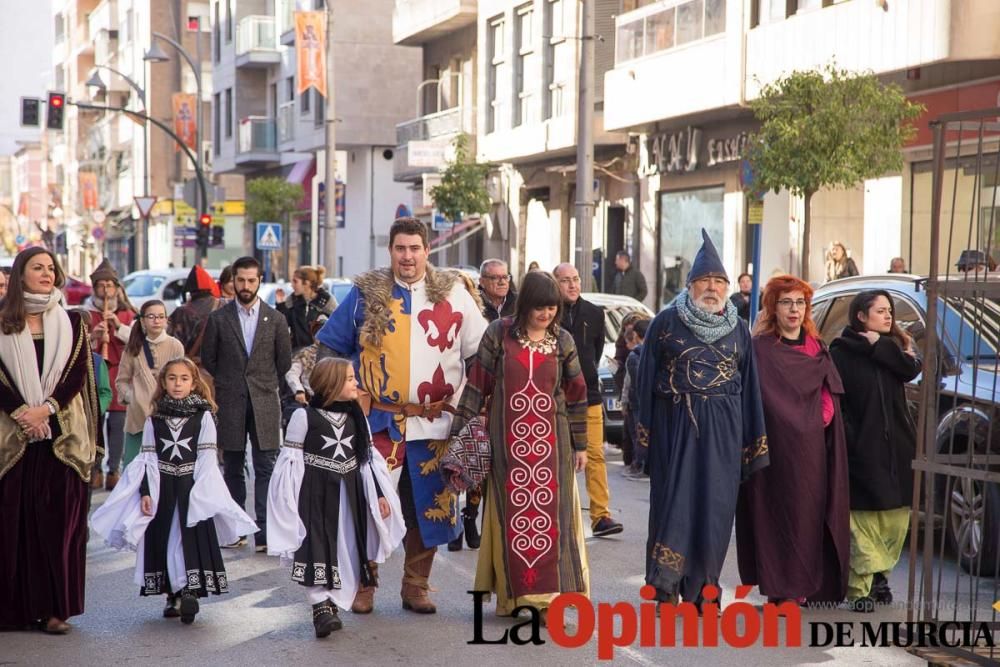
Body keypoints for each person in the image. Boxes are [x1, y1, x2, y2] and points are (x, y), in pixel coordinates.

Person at [316, 216, 488, 614]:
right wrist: (334, 398)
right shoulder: (366, 293)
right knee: (371, 503)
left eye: (415, 248)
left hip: (437, 421)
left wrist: (476, 407)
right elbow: (330, 347)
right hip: (379, 421)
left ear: (428, 250)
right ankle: (365, 582)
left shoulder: (456, 294)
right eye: (400, 248)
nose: (407, 256)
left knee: (428, 506)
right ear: (390, 251)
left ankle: (416, 585)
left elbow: (481, 353)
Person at [444, 270, 590, 622]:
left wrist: (581, 444)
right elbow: (477, 383)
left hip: (553, 448)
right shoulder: (499, 333)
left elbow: (577, 394)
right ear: (525, 304)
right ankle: (514, 597)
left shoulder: (563, 341)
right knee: (512, 517)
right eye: (540, 307)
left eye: (552, 307)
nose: (546, 314)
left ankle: (545, 599)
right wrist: (459, 436)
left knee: (551, 520)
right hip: (506, 443)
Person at [636, 229, 768, 606]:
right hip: (675, 427)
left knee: (715, 511)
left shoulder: (740, 330)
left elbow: (751, 390)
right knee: (673, 505)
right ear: (690, 284)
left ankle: (705, 591)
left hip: (724, 433)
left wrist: (752, 446)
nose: (712, 287)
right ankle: (664, 587)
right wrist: (644, 439)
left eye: (719, 281)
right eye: (705, 280)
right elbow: (645, 381)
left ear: (727, 288)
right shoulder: (664, 324)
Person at [91, 358, 257, 624]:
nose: (177, 384)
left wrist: (202, 492)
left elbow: (206, 459)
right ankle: (172, 594)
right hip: (163, 487)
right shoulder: (154, 419)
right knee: (166, 538)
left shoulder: (203, 417)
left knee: (189, 537)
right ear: (163, 383)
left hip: (191, 487)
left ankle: (190, 590)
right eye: (171, 378)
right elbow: (146, 459)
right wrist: (146, 492)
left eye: (183, 379)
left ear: (193, 383)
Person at [0, 247, 100, 634]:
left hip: (62, 433)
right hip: (13, 435)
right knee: (15, 524)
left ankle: (57, 610)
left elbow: (76, 375)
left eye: (50, 268)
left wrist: (46, 409)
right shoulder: (4, 320)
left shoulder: (73, 322)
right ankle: (16, 609)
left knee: (60, 525)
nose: (45, 273)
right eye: (37, 268)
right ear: (21, 275)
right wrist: (22, 411)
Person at [268, 357, 405, 638]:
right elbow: (291, 462)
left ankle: (332, 599)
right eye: (350, 379)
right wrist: (289, 501)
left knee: (346, 545)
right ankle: (320, 605)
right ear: (332, 384)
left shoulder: (357, 417)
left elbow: (367, 461)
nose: (356, 383)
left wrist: (378, 495)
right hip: (315, 495)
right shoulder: (304, 416)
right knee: (317, 545)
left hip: (350, 493)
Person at [735, 275, 850, 605]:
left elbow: (829, 393)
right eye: (787, 302)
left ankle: (806, 585)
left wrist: (815, 421)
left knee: (807, 515)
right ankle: (780, 589)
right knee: (773, 516)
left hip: (810, 449)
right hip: (771, 447)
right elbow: (750, 396)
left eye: (800, 302)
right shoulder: (759, 349)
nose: (794, 309)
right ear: (773, 307)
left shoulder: (816, 347)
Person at [830, 290, 920, 613]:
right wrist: (850, 438)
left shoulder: (892, 348)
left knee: (895, 520)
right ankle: (861, 589)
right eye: (880, 311)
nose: (888, 316)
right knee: (863, 522)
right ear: (860, 316)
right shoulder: (840, 352)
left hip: (896, 448)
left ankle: (880, 577)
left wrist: (879, 345)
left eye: (889, 311)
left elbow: (911, 370)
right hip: (861, 449)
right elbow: (836, 401)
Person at [201, 256, 292, 553]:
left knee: (266, 467)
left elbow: (284, 363)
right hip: (231, 401)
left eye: (251, 280)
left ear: (259, 281)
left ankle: (264, 533)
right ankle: (236, 529)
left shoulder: (276, 319)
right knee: (233, 467)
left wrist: (262, 384)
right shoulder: (218, 319)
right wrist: (231, 384)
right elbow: (210, 360)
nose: (245, 286)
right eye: (240, 280)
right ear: (233, 281)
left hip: (265, 401)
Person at [553, 262, 623, 538]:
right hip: (555, 398)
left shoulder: (595, 314)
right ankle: (560, 515)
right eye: (565, 280)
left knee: (595, 454)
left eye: (576, 278)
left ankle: (601, 516)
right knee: (558, 457)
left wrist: (585, 380)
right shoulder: (548, 313)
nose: (572, 285)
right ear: (554, 283)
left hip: (589, 397)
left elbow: (593, 355)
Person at [86, 258, 137, 491]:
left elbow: (138, 344)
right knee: (94, 422)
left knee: (118, 424)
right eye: (101, 285)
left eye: (110, 285)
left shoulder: (128, 314)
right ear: (94, 288)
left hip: (119, 373)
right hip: (93, 375)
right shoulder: (85, 313)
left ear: (117, 288)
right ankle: (94, 468)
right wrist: (93, 337)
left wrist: (118, 327)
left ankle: (114, 469)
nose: (106, 290)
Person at [116, 300, 185, 467]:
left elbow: (182, 379)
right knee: (132, 466)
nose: (157, 321)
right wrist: (130, 396)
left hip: (168, 416)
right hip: (137, 417)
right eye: (152, 316)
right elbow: (121, 381)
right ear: (142, 320)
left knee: (164, 466)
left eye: (161, 317)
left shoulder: (175, 346)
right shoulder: (133, 347)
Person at [277, 265, 337, 352]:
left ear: (307, 283)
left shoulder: (326, 301)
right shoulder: (292, 300)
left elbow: (338, 324)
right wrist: (280, 305)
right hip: (296, 354)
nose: (292, 285)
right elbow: (281, 325)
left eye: (295, 281)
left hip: (318, 355)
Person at [168, 265, 221, 362]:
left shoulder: (180, 312)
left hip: (187, 368)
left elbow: (171, 345)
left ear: (190, 292)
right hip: (216, 369)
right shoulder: (223, 306)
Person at [621, 318, 649, 480]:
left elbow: (633, 382)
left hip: (638, 402)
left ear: (636, 335)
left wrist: (625, 402)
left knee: (639, 434)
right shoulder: (656, 350)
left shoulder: (635, 355)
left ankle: (641, 466)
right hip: (647, 400)